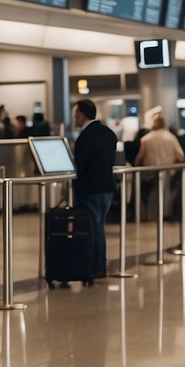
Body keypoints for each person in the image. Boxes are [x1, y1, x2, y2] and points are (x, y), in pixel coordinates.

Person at [72, 99, 117, 282]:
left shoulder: (85, 137)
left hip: (90, 189)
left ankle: (98, 266)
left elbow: (80, 165)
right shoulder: (109, 133)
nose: (75, 118)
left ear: (82, 114)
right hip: (107, 187)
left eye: (76, 114)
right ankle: (99, 265)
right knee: (99, 226)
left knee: (94, 227)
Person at [134, 114, 184, 220]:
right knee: (166, 195)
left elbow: (140, 155)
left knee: (151, 196)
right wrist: (173, 165)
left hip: (150, 172)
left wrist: (136, 165)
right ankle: (165, 214)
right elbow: (180, 156)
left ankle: (151, 216)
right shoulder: (171, 137)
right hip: (168, 171)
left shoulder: (146, 139)